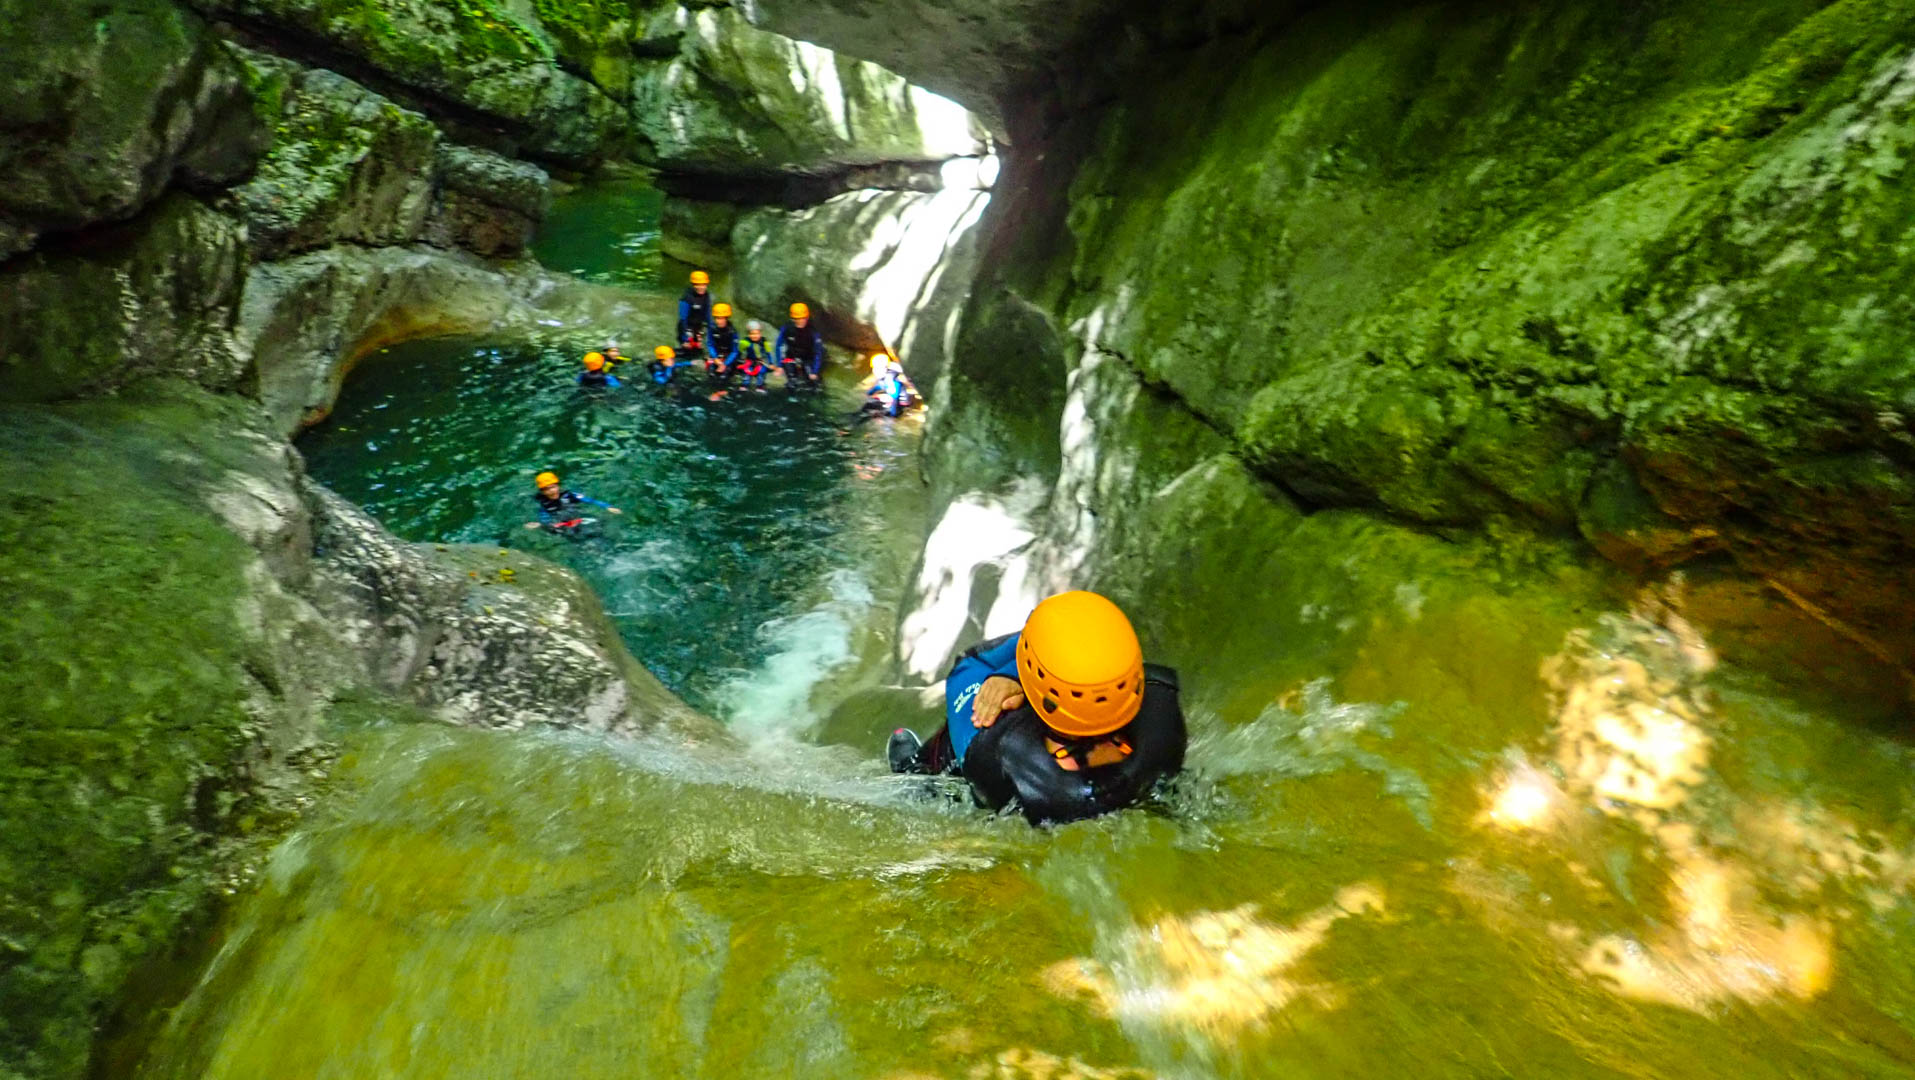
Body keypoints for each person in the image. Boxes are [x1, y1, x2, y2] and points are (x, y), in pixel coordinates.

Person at [888, 591, 1186, 825]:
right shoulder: (1163, 725)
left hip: (993, 767)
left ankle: (914, 768)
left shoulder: (997, 751)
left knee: (967, 727)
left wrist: (1014, 674)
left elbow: (964, 674)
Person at [525, 471, 623, 532]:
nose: (551, 491)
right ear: (542, 492)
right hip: (563, 523)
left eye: (553, 487)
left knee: (598, 528)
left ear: (558, 486)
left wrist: (608, 507)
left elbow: (591, 501)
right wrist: (540, 525)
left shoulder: (570, 495)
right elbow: (544, 518)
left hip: (578, 517)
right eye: (546, 489)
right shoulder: (544, 504)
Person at [776, 302, 825, 390]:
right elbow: (779, 346)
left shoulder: (813, 331)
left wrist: (814, 371)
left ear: (807, 317)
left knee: (814, 382)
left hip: (807, 358)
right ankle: (791, 396)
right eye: (797, 319)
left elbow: (818, 352)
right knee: (791, 380)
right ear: (793, 318)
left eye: (803, 318)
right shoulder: (787, 328)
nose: (800, 321)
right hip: (791, 356)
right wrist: (779, 365)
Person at [854, 354, 918, 420]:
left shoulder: (891, 380)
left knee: (874, 414)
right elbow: (880, 386)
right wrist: (870, 393)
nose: (875, 370)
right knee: (868, 405)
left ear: (885, 368)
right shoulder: (884, 377)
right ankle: (857, 416)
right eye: (874, 368)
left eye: (877, 368)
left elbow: (894, 399)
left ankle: (859, 420)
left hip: (899, 406)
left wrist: (891, 416)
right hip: (891, 400)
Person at [704, 303, 739, 388]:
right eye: (717, 318)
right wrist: (715, 358)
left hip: (728, 356)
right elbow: (710, 344)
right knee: (711, 374)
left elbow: (734, 351)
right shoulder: (712, 328)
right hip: (717, 355)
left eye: (721, 318)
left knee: (724, 376)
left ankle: (723, 391)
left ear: (726, 318)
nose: (718, 321)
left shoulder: (732, 332)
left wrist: (725, 364)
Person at [678, 270, 714, 347]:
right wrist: (685, 338)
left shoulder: (706, 296)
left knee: (698, 348)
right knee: (688, 347)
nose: (701, 287)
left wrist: (711, 331)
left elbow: (708, 315)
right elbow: (683, 319)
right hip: (687, 327)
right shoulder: (687, 298)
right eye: (698, 285)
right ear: (693, 285)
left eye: (704, 285)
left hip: (698, 327)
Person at [735, 321, 772, 391]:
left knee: (761, 372)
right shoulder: (745, 342)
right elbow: (738, 351)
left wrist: (771, 363)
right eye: (752, 334)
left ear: (760, 333)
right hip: (749, 361)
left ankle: (760, 385)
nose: (754, 336)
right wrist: (738, 361)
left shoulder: (764, 342)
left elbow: (768, 353)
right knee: (746, 372)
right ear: (748, 334)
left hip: (760, 362)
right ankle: (745, 384)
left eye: (757, 333)